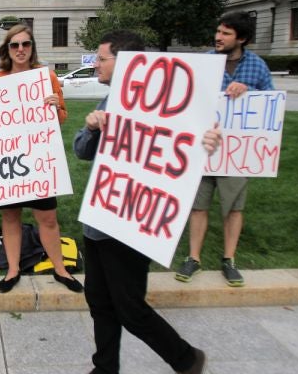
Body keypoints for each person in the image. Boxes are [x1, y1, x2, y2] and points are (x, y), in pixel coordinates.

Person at [73, 29, 220, 374]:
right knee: (99, 302)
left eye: (101, 57)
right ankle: (105, 367)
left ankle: (186, 359)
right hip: (98, 222)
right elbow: (81, 150)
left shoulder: (164, 105)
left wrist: (206, 142)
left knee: (130, 310)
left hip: (133, 224)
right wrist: (92, 127)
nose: (95, 63)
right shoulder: (107, 102)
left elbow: (188, 144)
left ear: (123, 62)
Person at [0, 24, 83, 294]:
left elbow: (61, 118)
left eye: (25, 44)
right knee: (11, 216)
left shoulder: (46, 77)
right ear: (7, 49)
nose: (20, 50)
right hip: (8, 164)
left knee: (48, 218)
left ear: (32, 48)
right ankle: (13, 269)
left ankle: (60, 269)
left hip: (38, 161)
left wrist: (55, 107)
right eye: (15, 45)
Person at [175, 11, 274, 288]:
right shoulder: (204, 63)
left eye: (226, 33)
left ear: (241, 38)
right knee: (198, 206)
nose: (218, 37)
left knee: (233, 208)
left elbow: (270, 105)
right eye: (218, 31)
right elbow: (187, 99)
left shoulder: (257, 67)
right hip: (203, 149)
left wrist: (249, 94)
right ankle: (193, 257)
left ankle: (229, 259)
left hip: (237, 153)